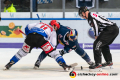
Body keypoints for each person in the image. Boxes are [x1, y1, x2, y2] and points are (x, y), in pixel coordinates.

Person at [4, 22, 74, 71]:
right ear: (55, 26)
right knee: (54, 53)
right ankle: (64, 65)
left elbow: (27, 26)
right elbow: (54, 45)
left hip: (30, 37)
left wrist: (28, 35)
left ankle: (9, 64)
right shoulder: (52, 30)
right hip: (41, 38)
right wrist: (43, 45)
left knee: (22, 52)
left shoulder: (39, 23)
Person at [78, 6, 119, 71]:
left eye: (81, 14)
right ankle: (109, 61)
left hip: (109, 29)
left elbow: (96, 26)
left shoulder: (90, 17)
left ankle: (98, 63)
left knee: (97, 44)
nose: (82, 16)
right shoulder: (92, 15)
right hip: (114, 29)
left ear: (84, 12)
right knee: (103, 45)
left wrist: (96, 35)